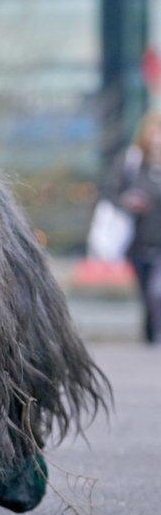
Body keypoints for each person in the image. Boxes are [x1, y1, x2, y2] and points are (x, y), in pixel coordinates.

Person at [112, 112, 161, 347]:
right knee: (147, 293)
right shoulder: (132, 164)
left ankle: (156, 336)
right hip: (139, 241)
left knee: (157, 290)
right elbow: (112, 193)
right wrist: (128, 201)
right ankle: (151, 333)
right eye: (155, 133)